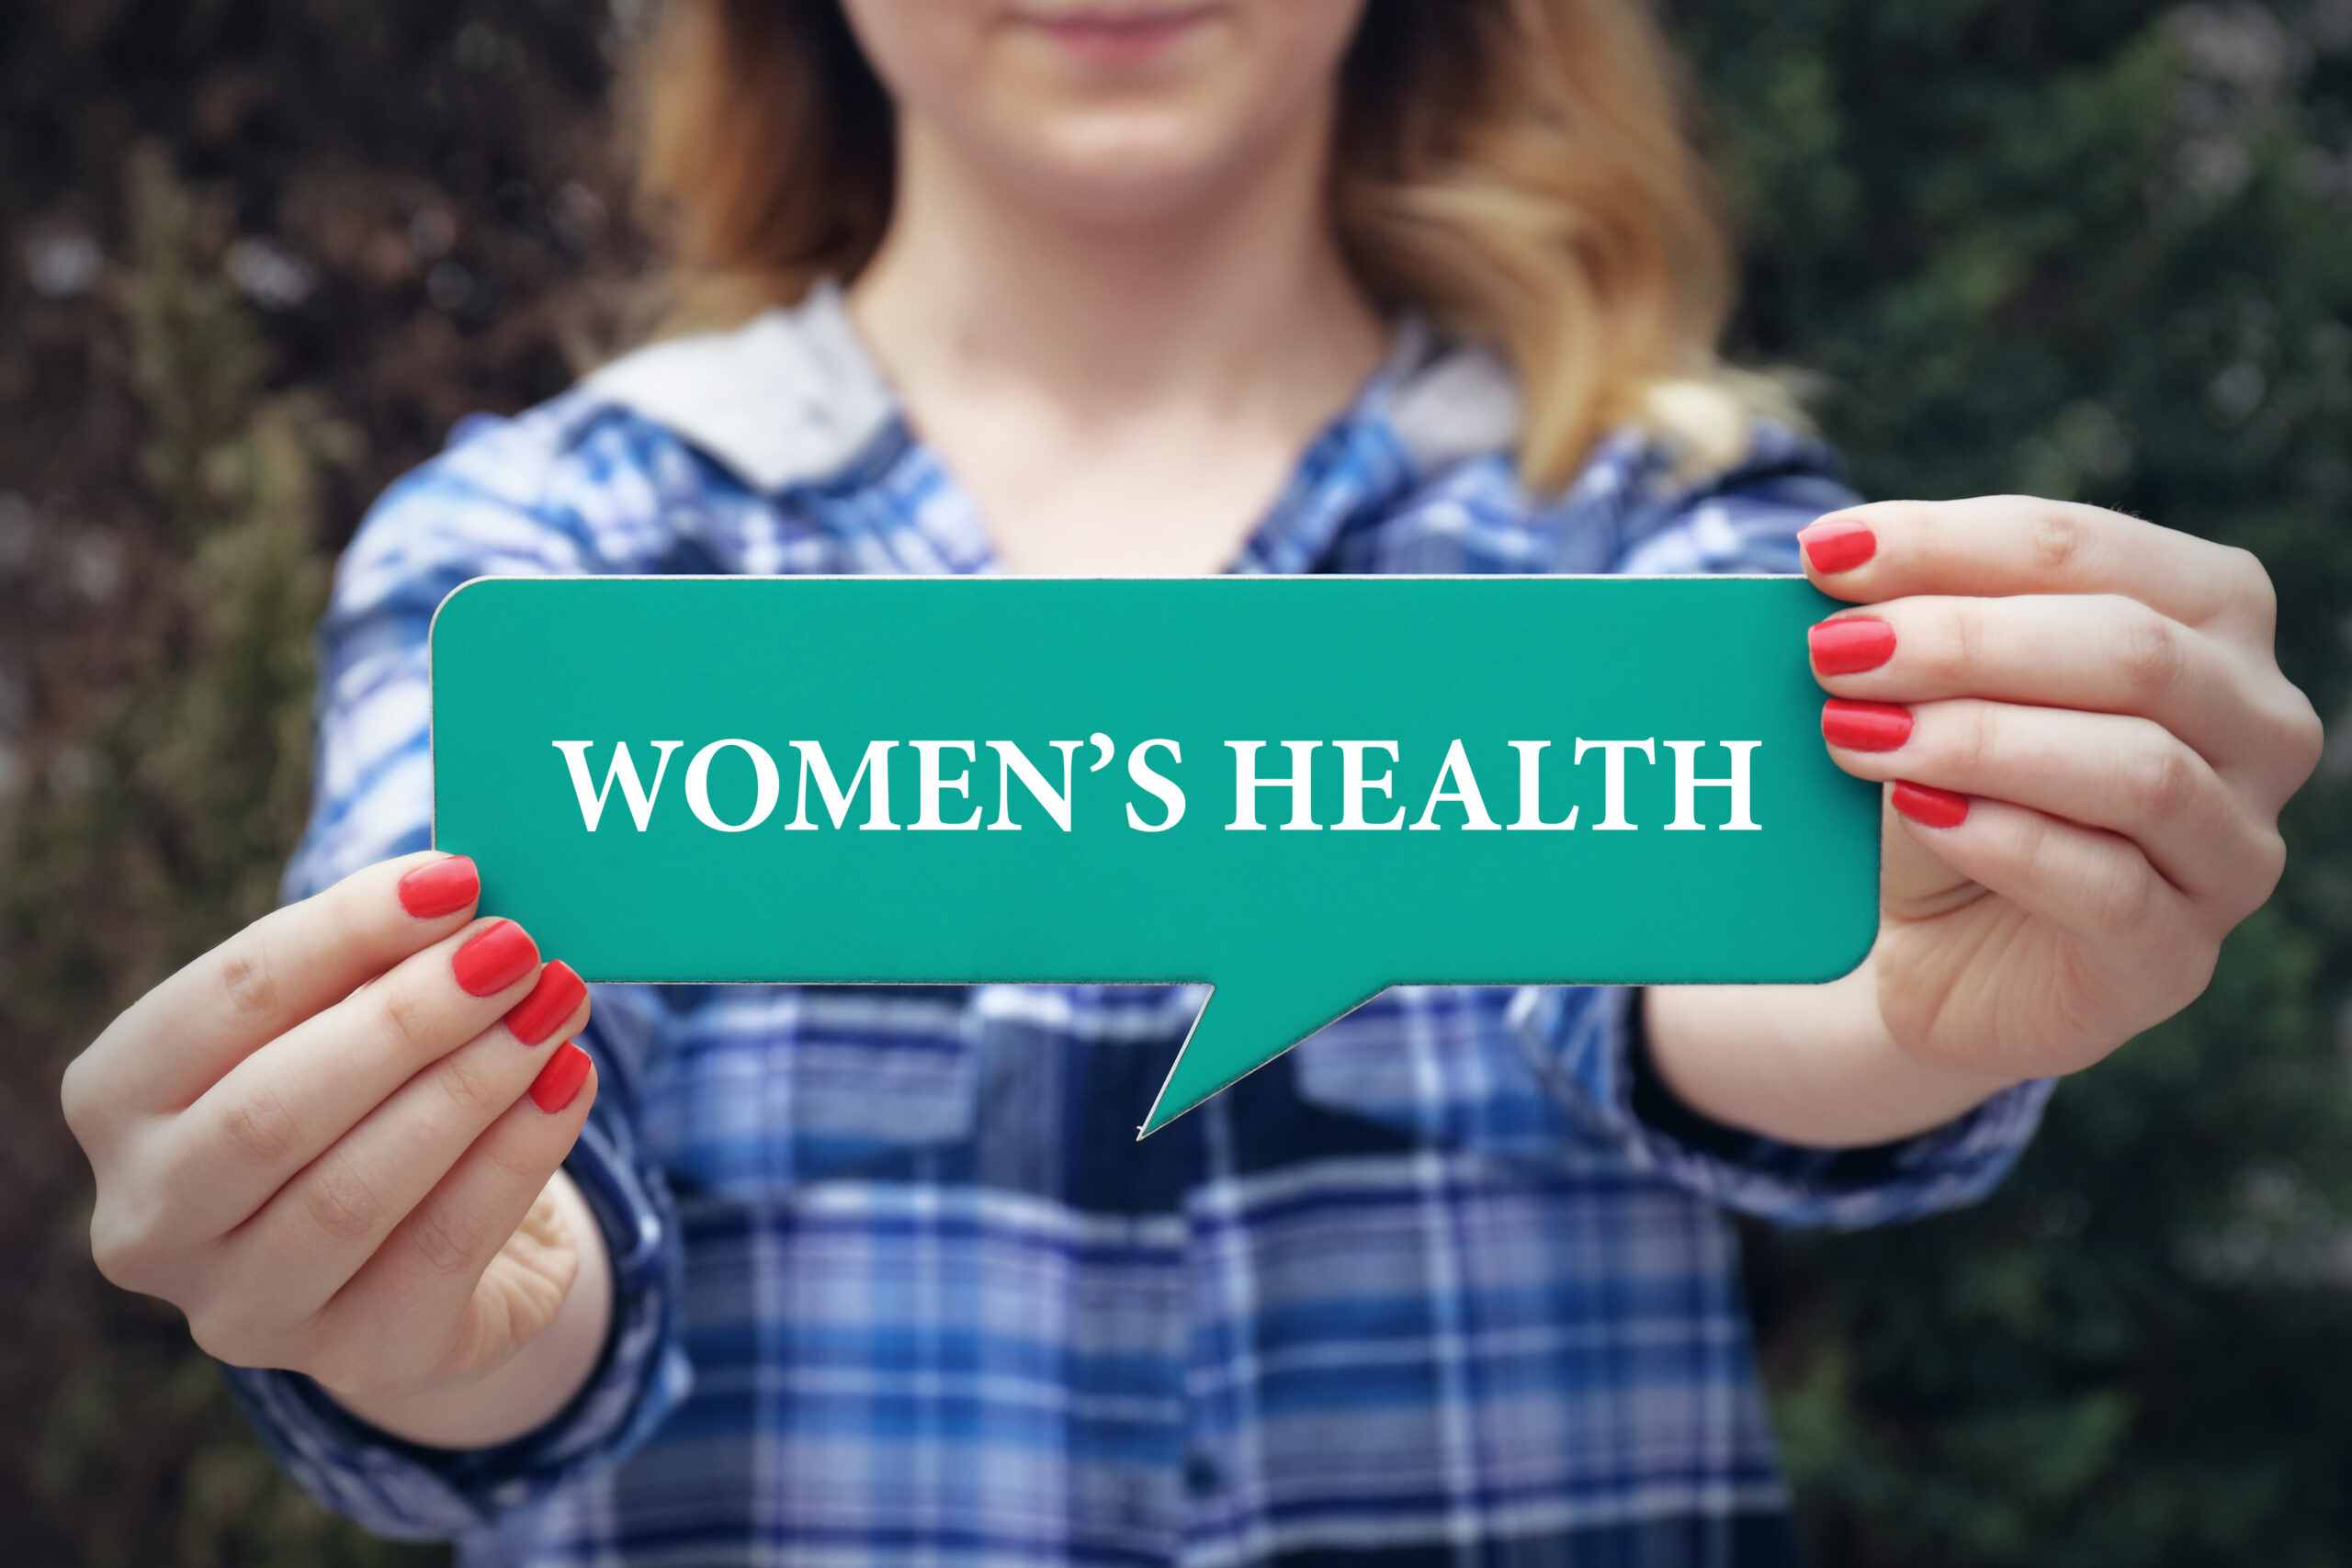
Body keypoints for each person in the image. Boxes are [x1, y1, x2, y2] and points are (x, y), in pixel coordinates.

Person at [61, 2, 2320, 1563]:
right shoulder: (546, 553)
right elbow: (513, 1248)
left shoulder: (1646, 523)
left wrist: (1918, 978)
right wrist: (404, 1265)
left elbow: (1699, 973)